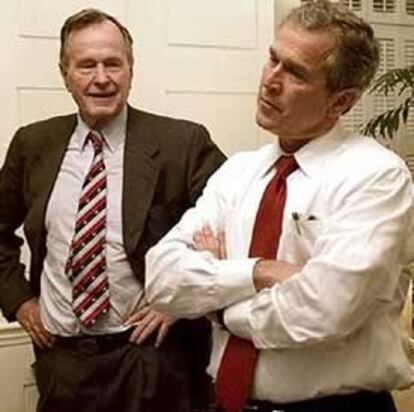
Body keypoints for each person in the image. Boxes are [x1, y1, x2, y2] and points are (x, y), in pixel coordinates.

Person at [145, 1, 414, 412]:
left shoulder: (376, 177)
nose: (271, 80)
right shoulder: (238, 172)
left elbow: (323, 312)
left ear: (341, 102)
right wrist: (259, 272)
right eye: (274, 59)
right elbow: (162, 281)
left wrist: (216, 307)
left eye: (296, 73)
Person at [0, 8, 225, 412]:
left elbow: (231, 223)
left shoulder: (182, 143)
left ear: (131, 70)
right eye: (86, 65)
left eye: (112, 64)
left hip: (152, 360)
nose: (101, 78)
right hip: (63, 363)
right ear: (65, 73)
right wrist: (18, 300)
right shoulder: (33, 144)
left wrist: (179, 299)